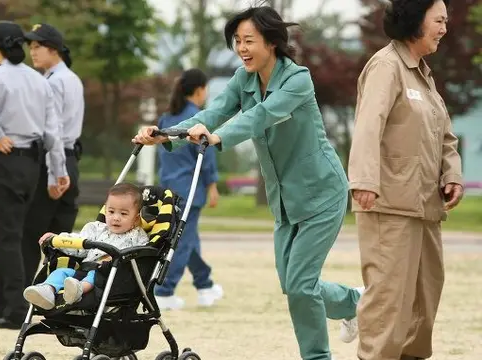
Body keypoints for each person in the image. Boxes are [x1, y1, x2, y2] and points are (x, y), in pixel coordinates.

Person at [133, 5, 362, 360]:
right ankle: (356, 303)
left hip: (321, 193)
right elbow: (212, 113)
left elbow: (262, 116)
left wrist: (219, 138)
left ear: (271, 42)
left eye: (249, 40)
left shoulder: (297, 79)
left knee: (301, 285)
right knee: (293, 286)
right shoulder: (244, 79)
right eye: (237, 41)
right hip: (285, 199)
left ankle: (318, 356)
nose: (241, 48)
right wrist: (166, 135)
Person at [347, 1, 463, 359]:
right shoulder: (387, 67)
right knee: (388, 309)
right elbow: (368, 126)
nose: (445, 28)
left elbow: (445, 137)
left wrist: (452, 174)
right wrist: (364, 180)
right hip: (389, 207)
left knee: (422, 309)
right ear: (416, 19)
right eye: (439, 20)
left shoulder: (423, 76)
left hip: (425, 210)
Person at [0, 20, 69, 330]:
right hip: (33, 164)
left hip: (6, 159)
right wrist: (59, 171)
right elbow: (54, 130)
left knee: (6, 235)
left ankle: (13, 309)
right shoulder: (40, 81)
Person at [21, 23, 85, 289]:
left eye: (38, 47)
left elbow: (53, 132)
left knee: (33, 236)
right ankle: (56, 291)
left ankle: (24, 294)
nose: (32, 52)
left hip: (53, 161)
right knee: (62, 238)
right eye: (31, 47)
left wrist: (54, 173)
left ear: (54, 49)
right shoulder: (70, 78)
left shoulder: (54, 82)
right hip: (68, 159)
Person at [153, 68, 223, 310]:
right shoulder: (198, 118)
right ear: (199, 90)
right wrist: (213, 186)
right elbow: (206, 158)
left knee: (186, 238)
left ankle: (204, 286)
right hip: (190, 189)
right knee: (182, 241)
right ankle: (164, 291)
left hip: (168, 188)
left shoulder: (166, 117)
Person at [23, 183, 149, 309]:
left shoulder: (137, 236)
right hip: (82, 270)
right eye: (111, 211)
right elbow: (78, 242)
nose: (116, 218)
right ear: (105, 210)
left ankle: (78, 291)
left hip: (108, 275)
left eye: (124, 214)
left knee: (94, 275)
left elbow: (142, 257)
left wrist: (120, 260)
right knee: (62, 272)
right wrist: (57, 239)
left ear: (136, 218)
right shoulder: (96, 229)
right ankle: (47, 291)